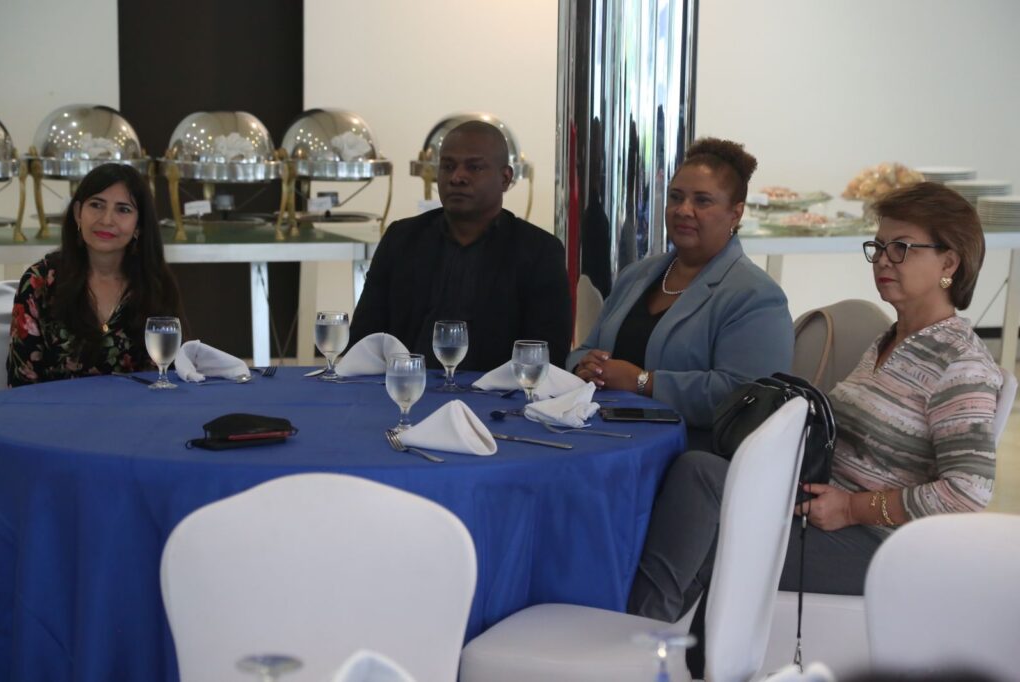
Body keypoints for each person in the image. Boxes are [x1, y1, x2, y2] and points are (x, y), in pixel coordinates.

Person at [628, 182, 1002, 627]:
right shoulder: (891, 340)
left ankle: (641, 639)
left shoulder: (961, 363)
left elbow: (966, 493)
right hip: (821, 507)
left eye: (901, 248)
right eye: (878, 247)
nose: (883, 260)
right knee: (695, 469)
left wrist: (852, 508)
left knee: (699, 540)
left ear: (949, 262)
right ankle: (656, 637)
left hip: (880, 544)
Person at [568, 138, 793, 441]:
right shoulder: (635, 276)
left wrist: (643, 382)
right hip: (601, 433)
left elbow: (748, 397)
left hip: (689, 452)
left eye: (702, 201)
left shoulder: (756, 295)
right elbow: (584, 350)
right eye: (676, 197)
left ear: (736, 213)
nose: (683, 210)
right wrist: (584, 367)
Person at [348, 120, 571, 371]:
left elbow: (548, 356)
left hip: (498, 392)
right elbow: (363, 341)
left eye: (474, 167)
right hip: (406, 387)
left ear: (505, 178)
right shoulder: (402, 239)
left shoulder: (539, 251)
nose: (457, 177)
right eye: (448, 166)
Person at [6, 163, 183, 386]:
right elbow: (21, 383)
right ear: (78, 213)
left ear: (139, 225)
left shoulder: (155, 283)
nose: (107, 220)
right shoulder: (39, 282)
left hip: (138, 408)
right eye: (96, 205)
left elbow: (170, 374)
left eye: (123, 210)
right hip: (56, 408)